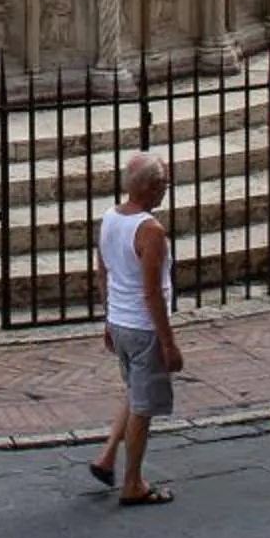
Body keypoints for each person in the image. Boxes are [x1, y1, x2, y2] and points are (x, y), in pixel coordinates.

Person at [89, 152, 182, 507]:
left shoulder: (110, 217)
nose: (167, 191)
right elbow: (152, 291)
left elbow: (102, 272)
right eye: (165, 184)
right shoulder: (151, 230)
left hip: (120, 322)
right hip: (143, 328)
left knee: (133, 390)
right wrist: (169, 342)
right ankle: (133, 483)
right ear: (154, 188)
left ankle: (108, 455)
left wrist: (108, 317)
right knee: (143, 409)